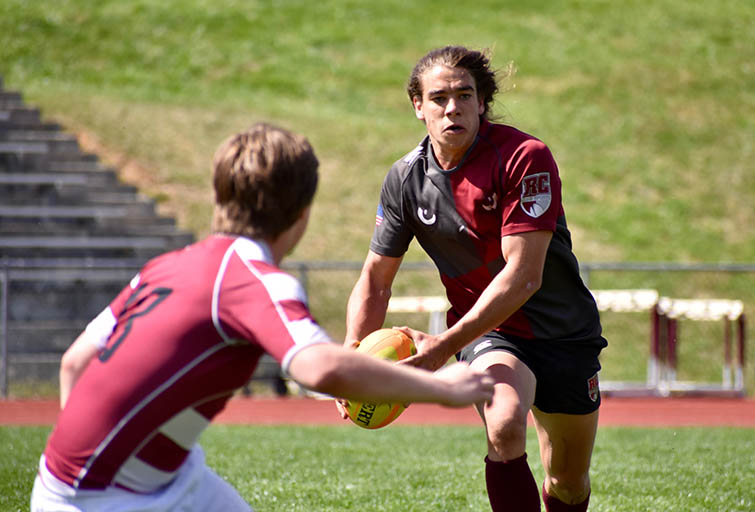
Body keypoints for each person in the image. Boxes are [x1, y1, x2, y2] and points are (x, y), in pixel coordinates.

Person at [30, 122, 496, 512]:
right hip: (109, 499)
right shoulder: (253, 279)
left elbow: (74, 362)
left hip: (87, 480)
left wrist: (80, 464)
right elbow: (323, 368)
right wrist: (441, 386)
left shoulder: (167, 265)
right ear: (301, 214)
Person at [342, 46, 607, 512]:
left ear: (482, 102)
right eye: (439, 97)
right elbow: (375, 279)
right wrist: (350, 363)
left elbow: (523, 277)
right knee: (503, 425)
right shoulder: (405, 179)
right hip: (492, 333)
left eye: (464, 95)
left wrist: (442, 348)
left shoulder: (525, 157)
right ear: (417, 106)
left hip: (564, 333)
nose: (452, 108)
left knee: (568, 482)